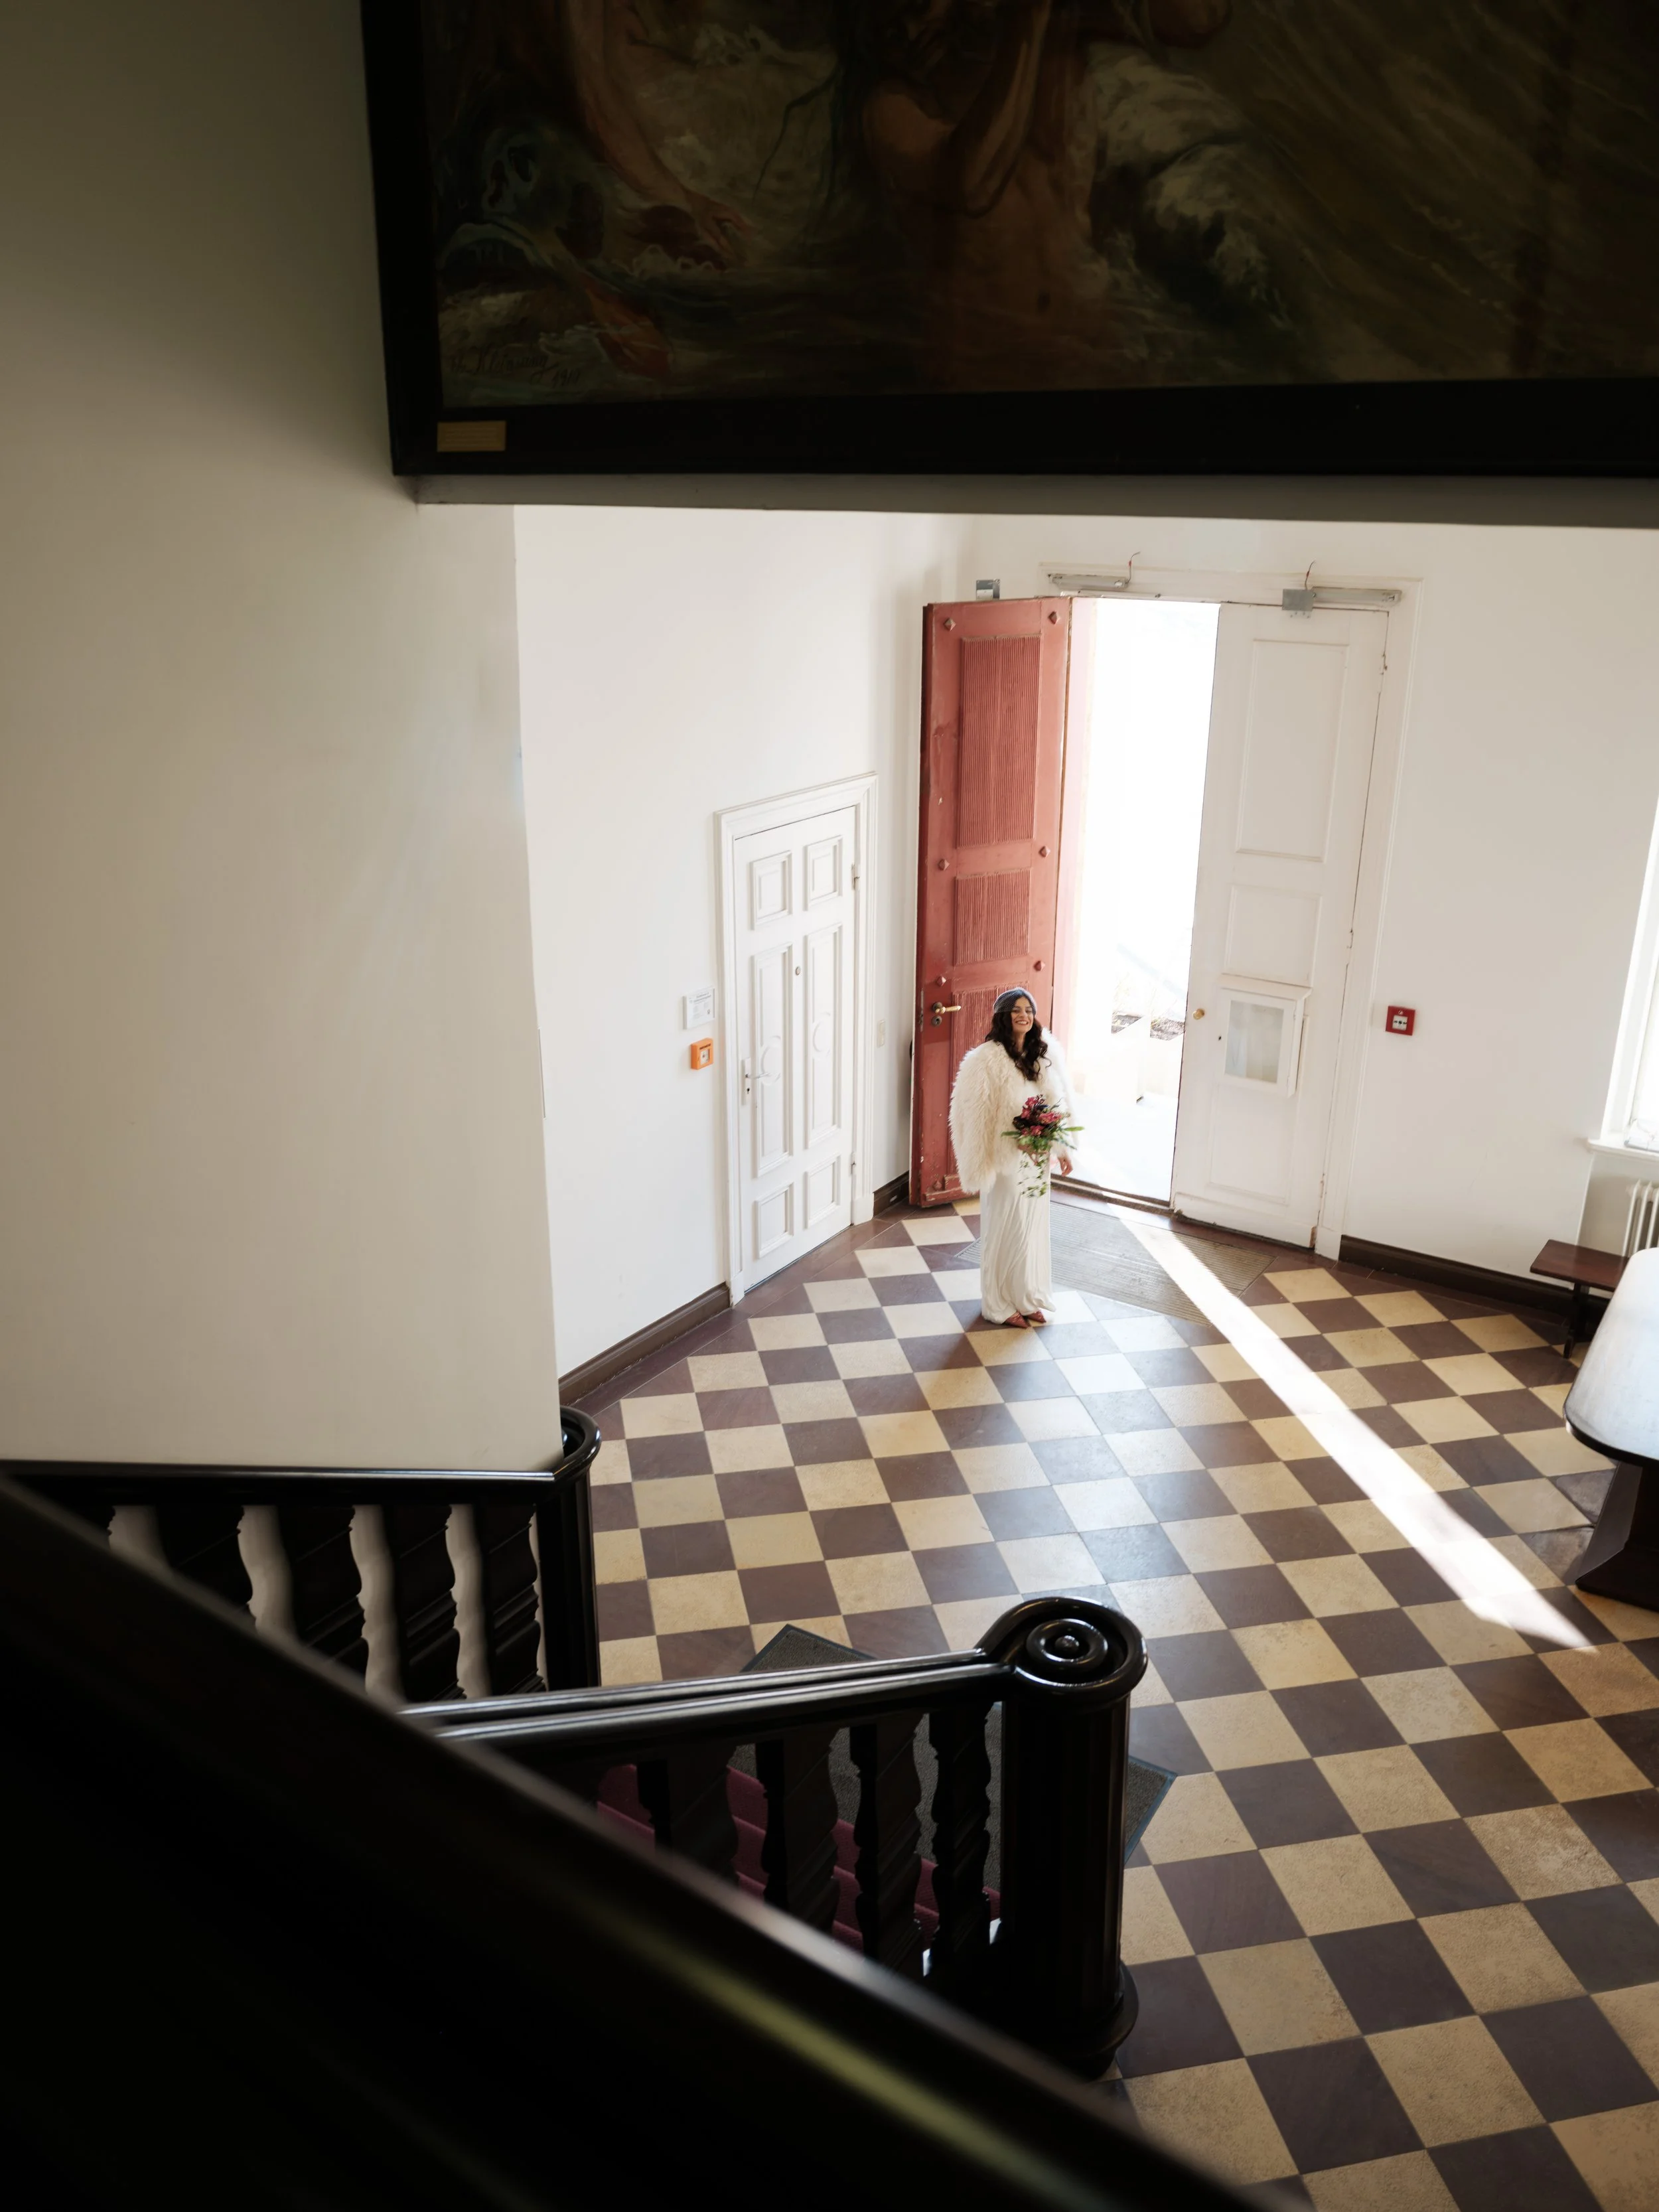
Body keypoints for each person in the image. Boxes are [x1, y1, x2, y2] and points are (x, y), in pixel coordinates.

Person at [948, 987, 1074, 1329]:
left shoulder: (1041, 1053)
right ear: (1003, 1016)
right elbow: (973, 1114)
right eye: (1016, 1009)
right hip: (1005, 1160)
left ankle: (1026, 1296)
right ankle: (998, 1305)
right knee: (1004, 1228)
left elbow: (1058, 1101)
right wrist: (1007, 1144)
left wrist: (1060, 1147)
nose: (1024, 1015)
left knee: (1031, 1228)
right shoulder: (984, 1060)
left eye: (1029, 1009)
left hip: (1036, 1160)